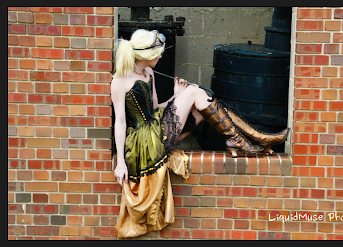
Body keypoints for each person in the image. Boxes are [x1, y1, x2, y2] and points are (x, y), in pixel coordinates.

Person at [111, 29, 289, 238]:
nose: (160, 56)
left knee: (201, 104)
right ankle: (246, 139)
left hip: (159, 129)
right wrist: (121, 162)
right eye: (158, 53)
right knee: (195, 91)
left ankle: (250, 138)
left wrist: (176, 96)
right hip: (145, 143)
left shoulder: (148, 74)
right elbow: (120, 123)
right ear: (146, 55)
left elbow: (156, 107)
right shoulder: (119, 82)